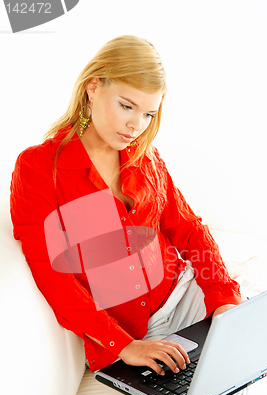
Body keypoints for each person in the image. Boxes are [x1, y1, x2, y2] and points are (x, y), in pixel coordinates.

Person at [10, 35, 242, 377]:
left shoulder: (145, 156)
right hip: (130, 335)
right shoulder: (40, 168)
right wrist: (123, 345)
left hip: (184, 293)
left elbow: (188, 229)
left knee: (263, 361)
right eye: (126, 106)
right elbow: (52, 276)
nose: (137, 126)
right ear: (92, 88)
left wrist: (224, 298)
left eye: (149, 113)